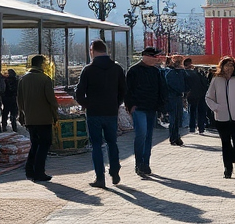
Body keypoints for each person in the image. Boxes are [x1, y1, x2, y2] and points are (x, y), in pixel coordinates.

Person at [75, 39, 126, 189]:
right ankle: (115, 171)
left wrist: (86, 104)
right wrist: (115, 104)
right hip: (111, 112)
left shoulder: (88, 70)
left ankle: (100, 177)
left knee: (96, 145)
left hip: (94, 113)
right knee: (112, 143)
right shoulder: (117, 68)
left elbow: (79, 93)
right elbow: (123, 90)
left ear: (92, 51)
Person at [125, 47, 169, 177]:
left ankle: (146, 163)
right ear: (146, 56)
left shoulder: (156, 72)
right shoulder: (133, 71)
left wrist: (162, 108)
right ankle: (139, 164)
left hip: (152, 108)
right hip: (138, 108)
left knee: (148, 136)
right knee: (141, 134)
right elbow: (127, 90)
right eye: (154, 57)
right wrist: (130, 105)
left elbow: (162, 90)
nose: (156, 59)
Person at [205, 56, 235, 178]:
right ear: (222, 67)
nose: (229, 68)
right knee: (225, 143)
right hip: (222, 117)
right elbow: (208, 97)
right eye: (227, 65)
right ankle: (228, 167)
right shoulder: (216, 80)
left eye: (231, 65)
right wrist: (216, 107)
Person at [17, 55, 58, 182]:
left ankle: (30, 171)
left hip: (30, 118)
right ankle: (39, 172)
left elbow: (19, 100)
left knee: (34, 144)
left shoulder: (23, 79)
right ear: (41, 64)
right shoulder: (45, 79)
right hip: (43, 118)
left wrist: (22, 114)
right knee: (44, 143)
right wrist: (55, 116)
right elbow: (51, 100)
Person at [162, 55, 188, 146]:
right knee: (174, 118)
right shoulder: (171, 72)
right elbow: (179, 85)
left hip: (175, 97)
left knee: (176, 118)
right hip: (172, 97)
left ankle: (175, 136)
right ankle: (174, 137)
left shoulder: (172, 72)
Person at [183, 59, 209, 135]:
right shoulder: (198, 72)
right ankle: (201, 128)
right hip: (201, 94)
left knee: (192, 111)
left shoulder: (185, 73)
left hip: (191, 94)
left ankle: (192, 127)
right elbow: (205, 82)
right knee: (201, 111)